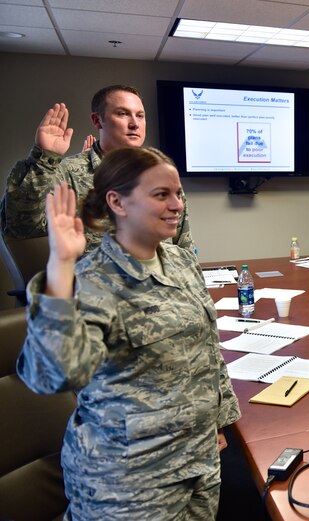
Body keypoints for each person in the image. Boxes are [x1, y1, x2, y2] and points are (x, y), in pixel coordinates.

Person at [16, 147, 240, 519]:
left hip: (197, 462)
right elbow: (52, 376)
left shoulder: (181, 261)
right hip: (130, 483)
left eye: (178, 193)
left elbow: (207, 349)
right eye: (161, 195)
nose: (177, 205)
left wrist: (218, 420)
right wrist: (60, 266)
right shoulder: (89, 280)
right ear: (117, 202)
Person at [0, 84, 195, 254]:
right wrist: (43, 159)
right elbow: (20, 228)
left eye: (140, 115)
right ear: (97, 120)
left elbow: (183, 246)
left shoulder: (162, 174)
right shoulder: (68, 173)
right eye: (122, 113)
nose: (134, 124)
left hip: (163, 283)